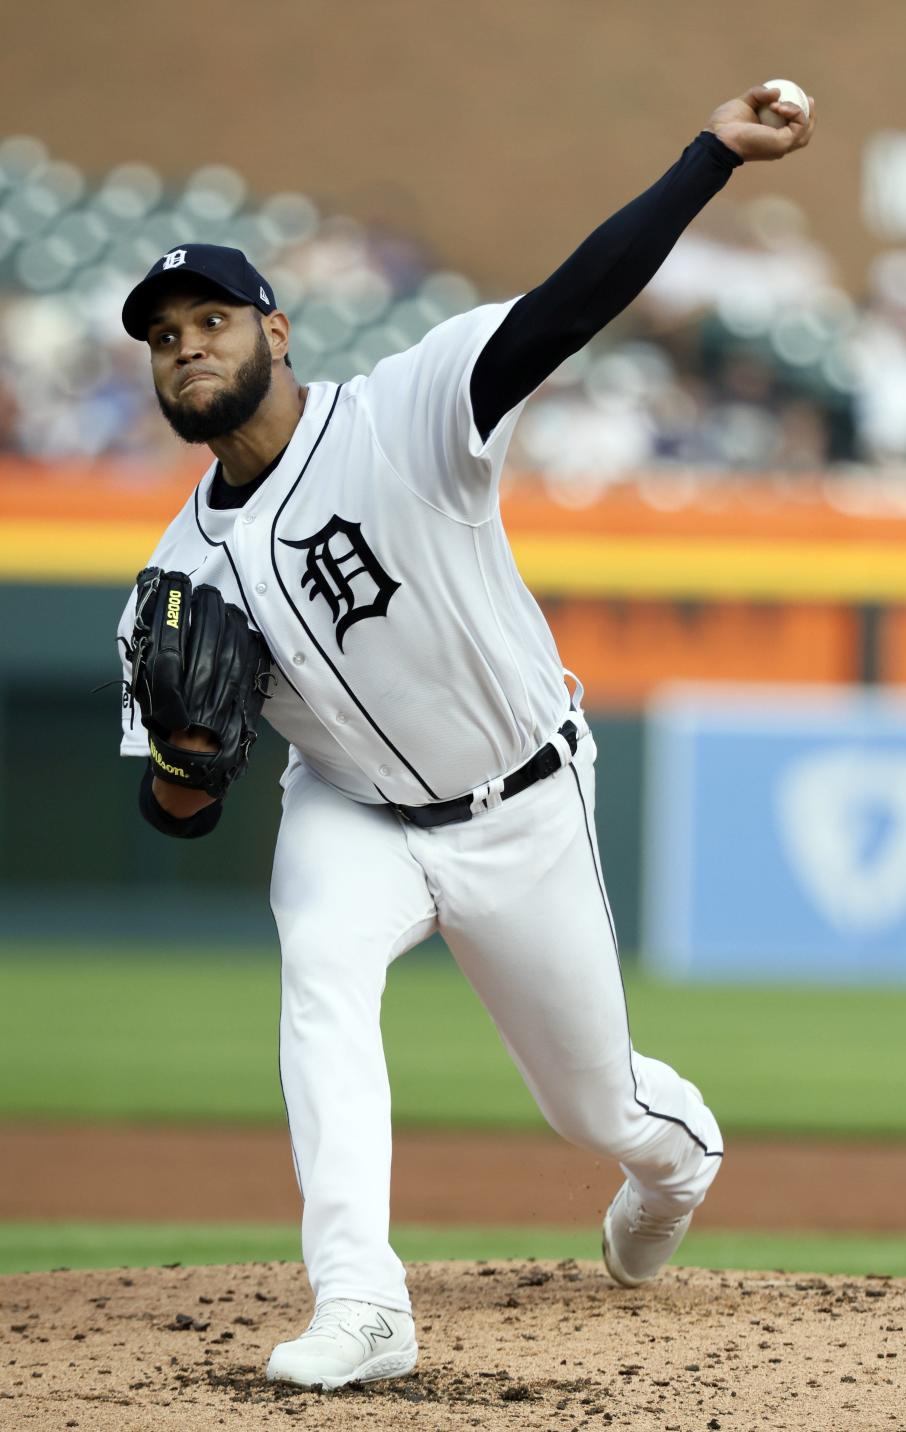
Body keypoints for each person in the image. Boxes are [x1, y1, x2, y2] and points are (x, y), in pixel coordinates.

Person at [116, 86, 815, 1391]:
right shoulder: (170, 580)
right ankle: (362, 1300)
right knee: (320, 968)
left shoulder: (405, 413)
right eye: (162, 336)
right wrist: (184, 768)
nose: (186, 348)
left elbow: (566, 305)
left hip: (521, 804)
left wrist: (709, 156)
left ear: (274, 326)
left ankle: (679, 1157)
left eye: (210, 319)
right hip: (350, 811)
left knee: (592, 1104)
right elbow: (176, 814)